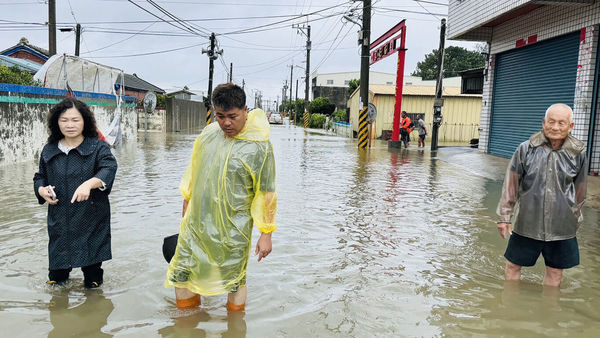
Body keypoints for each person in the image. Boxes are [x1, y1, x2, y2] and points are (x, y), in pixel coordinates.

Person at [165, 83, 277, 311]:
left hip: (233, 228)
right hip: (197, 221)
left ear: (246, 110)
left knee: (234, 280)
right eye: (220, 116)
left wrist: (266, 233)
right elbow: (194, 171)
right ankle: (188, 322)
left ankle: (234, 325)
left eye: (232, 116)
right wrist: (186, 203)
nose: (226, 123)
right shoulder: (209, 134)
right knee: (182, 272)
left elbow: (266, 192)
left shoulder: (260, 148)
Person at [497, 103, 587, 287]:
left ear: (571, 126)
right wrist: (504, 217)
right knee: (513, 265)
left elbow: (580, 190)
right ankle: (510, 305)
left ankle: (550, 308)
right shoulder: (525, 149)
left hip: (562, 225)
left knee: (555, 271)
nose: (555, 127)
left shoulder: (578, 153)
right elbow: (510, 185)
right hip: (527, 222)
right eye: (551, 122)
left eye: (562, 123)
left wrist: (574, 221)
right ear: (543, 123)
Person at [33, 98, 117, 288]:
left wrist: (89, 184)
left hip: (91, 218)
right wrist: (41, 189)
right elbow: (40, 176)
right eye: (64, 120)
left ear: (85, 121)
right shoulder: (49, 149)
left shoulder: (98, 147)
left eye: (75, 119)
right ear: (57, 123)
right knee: (56, 281)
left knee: (93, 282)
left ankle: (94, 311)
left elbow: (108, 168)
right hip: (59, 220)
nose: (70, 125)